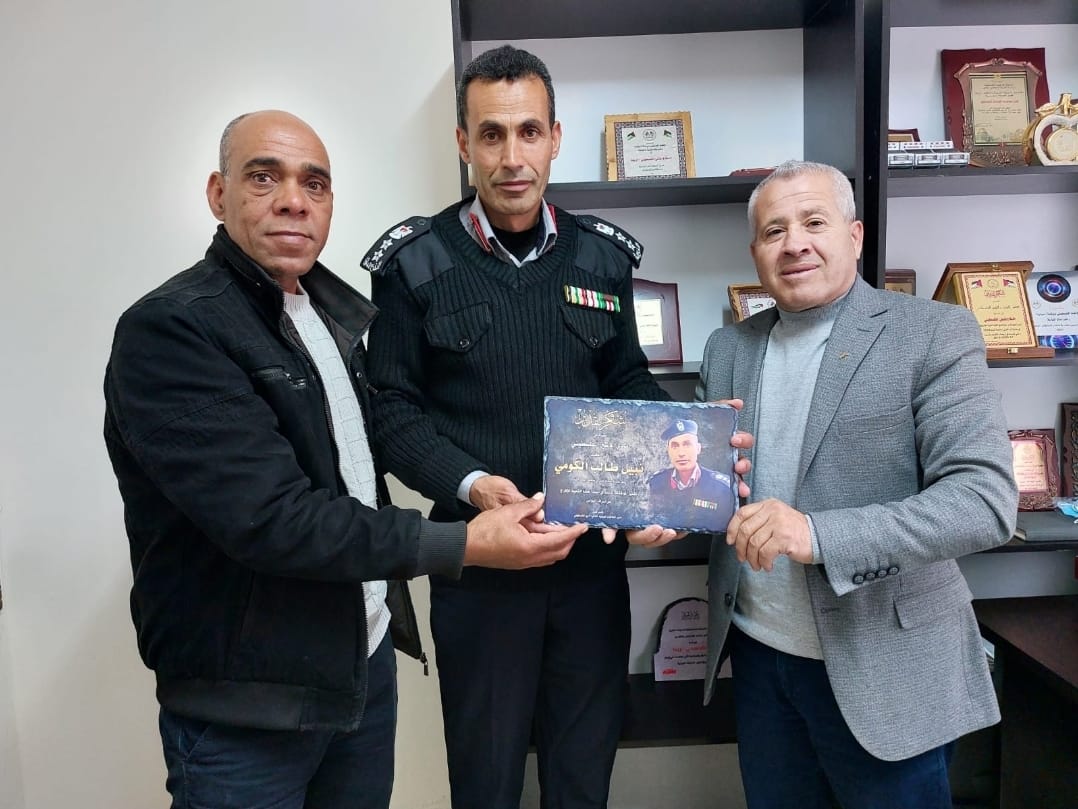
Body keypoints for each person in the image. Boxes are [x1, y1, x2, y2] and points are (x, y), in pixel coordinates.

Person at [102, 109, 589, 809]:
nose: (293, 200)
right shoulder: (175, 328)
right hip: (250, 707)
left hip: (357, 669)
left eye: (315, 183)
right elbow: (273, 518)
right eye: (263, 178)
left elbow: (360, 465)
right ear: (217, 193)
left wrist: (483, 490)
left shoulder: (329, 315)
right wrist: (463, 543)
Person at [362, 45, 750, 809]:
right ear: (463, 142)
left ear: (555, 137)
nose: (513, 157)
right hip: (479, 572)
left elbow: (626, 381)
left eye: (529, 131)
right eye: (492, 134)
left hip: (588, 573)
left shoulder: (601, 257)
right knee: (486, 783)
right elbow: (392, 412)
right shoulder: (414, 263)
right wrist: (477, 487)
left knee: (582, 778)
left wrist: (686, 442)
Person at [696, 159, 1018, 809]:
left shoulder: (932, 332)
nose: (794, 243)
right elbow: (710, 488)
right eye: (774, 231)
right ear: (756, 252)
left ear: (855, 234)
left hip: (886, 665)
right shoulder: (727, 347)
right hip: (759, 659)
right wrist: (662, 514)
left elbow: (983, 501)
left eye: (814, 222)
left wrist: (816, 534)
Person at [647, 418, 736, 530]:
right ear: (668, 451)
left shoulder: (720, 486)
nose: (681, 453)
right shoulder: (657, 482)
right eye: (675, 446)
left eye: (687, 444)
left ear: (698, 448)